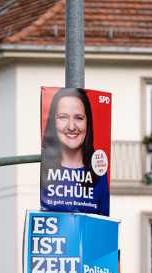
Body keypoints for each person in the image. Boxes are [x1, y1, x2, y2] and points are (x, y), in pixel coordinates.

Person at [40, 88, 109, 216]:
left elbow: (103, 227)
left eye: (79, 118)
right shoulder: (44, 170)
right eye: (63, 117)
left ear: (88, 123)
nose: (71, 127)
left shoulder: (99, 174)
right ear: (53, 122)